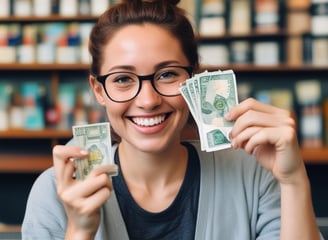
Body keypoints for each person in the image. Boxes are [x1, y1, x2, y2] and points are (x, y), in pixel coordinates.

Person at [22, 0, 324, 239]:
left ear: (194, 81)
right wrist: (80, 232)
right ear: (99, 90)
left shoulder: (254, 174)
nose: (148, 100)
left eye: (167, 74)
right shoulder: (55, 191)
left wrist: (294, 180)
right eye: (123, 79)